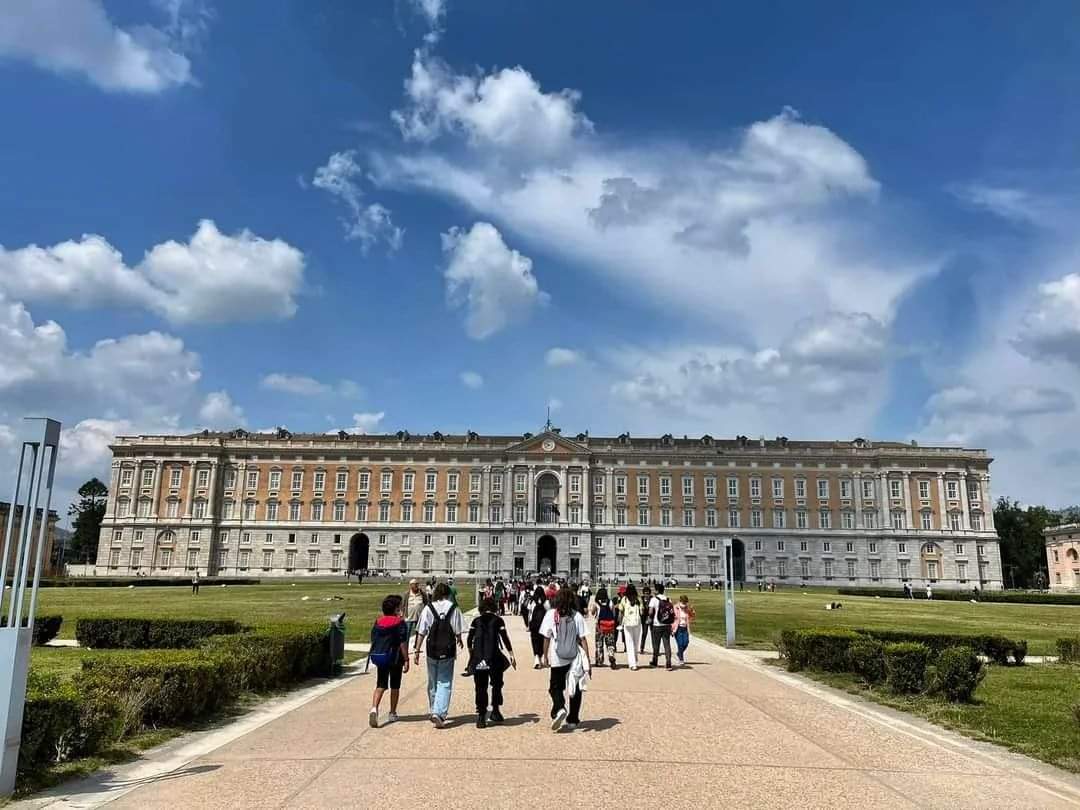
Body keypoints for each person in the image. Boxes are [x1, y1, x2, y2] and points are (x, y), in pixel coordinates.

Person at [413, 582, 464, 727]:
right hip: (447, 649)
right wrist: (459, 639)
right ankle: (439, 713)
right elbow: (457, 629)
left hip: (432, 649)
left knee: (433, 681)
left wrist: (417, 650)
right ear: (448, 594)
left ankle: (433, 708)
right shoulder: (453, 608)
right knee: (445, 681)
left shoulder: (428, 608)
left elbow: (422, 631)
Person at [541, 585, 590, 732]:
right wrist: (587, 660)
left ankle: (560, 707)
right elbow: (583, 639)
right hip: (574, 658)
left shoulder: (551, 614)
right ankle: (573, 719)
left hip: (557, 658)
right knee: (575, 688)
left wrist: (545, 656)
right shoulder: (577, 615)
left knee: (555, 687)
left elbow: (546, 637)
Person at [467, 596, 516, 728]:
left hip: (479, 657)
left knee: (480, 687)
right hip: (494, 657)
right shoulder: (498, 620)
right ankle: (495, 709)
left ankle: (481, 715)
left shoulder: (476, 621)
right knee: (497, 684)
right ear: (494, 607)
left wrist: (471, 654)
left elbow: (469, 639)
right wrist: (511, 654)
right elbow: (505, 638)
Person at [369, 594, 410, 727]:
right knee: (395, 686)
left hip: (381, 656)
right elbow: (403, 642)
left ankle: (374, 708)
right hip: (395, 658)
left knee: (380, 684)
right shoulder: (400, 623)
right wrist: (406, 659)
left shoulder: (378, 622)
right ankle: (392, 712)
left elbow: (373, 638)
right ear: (396, 609)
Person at [648, 584, 675, 670]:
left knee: (656, 644)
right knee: (667, 644)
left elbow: (650, 612)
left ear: (656, 590)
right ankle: (668, 663)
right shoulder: (668, 599)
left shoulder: (654, 599)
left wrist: (650, 617)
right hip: (667, 624)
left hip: (657, 624)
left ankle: (655, 661)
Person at [590, 587, 618, 669]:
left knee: (599, 644)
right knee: (610, 644)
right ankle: (611, 655)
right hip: (610, 626)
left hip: (599, 626)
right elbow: (613, 614)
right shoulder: (610, 602)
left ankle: (599, 660)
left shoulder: (596, 603)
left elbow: (592, 613)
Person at [618, 583, 643, 670]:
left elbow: (621, 612)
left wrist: (620, 623)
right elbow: (642, 612)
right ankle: (635, 658)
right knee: (636, 642)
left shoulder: (624, 599)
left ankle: (632, 664)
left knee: (629, 643)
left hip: (627, 623)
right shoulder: (638, 599)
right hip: (637, 623)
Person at [526, 585, 548, 668]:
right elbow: (548, 614)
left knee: (534, 641)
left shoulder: (532, 601)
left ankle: (536, 658)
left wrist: (528, 625)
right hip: (543, 625)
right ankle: (540, 658)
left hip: (534, 624)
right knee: (542, 641)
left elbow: (529, 614)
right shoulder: (546, 602)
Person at [673, 594, 695, 666]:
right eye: (683, 602)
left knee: (686, 643)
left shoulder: (687, 608)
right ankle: (681, 659)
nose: (684, 604)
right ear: (680, 601)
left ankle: (679, 653)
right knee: (680, 644)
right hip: (678, 628)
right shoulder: (675, 607)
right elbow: (672, 618)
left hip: (685, 628)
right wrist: (671, 628)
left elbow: (692, 616)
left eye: (685, 602)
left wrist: (692, 611)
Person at [404, 578, 427, 643]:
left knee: (419, 632)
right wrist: (402, 613)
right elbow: (403, 604)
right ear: (410, 585)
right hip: (409, 616)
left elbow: (426, 603)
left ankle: (416, 645)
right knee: (407, 633)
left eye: (417, 584)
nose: (416, 586)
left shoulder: (422, 593)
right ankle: (406, 647)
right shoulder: (407, 594)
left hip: (419, 616)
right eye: (414, 584)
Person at [639, 585, 653, 655]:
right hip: (644, 619)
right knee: (644, 633)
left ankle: (655, 648)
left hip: (651, 618)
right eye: (645, 593)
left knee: (653, 634)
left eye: (648, 593)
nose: (646, 595)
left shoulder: (652, 599)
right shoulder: (641, 599)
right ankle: (642, 648)